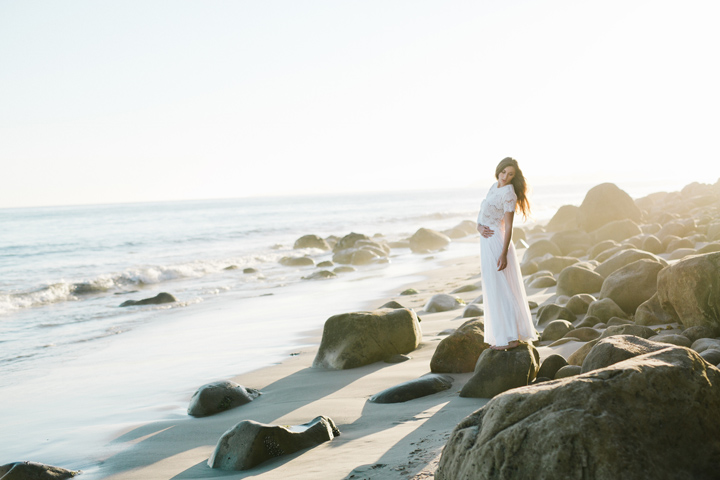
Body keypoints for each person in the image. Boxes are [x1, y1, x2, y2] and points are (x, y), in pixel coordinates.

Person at [476, 157, 537, 350]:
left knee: (503, 289)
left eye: (510, 174)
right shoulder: (494, 186)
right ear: (498, 170)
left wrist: (503, 253)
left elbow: (509, 226)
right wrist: (478, 227)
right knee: (493, 288)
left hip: (497, 243)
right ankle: (502, 336)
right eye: (504, 172)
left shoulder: (509, 194)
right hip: (485, 242)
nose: (505, 177)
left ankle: (512, 339)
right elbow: (483, 212)